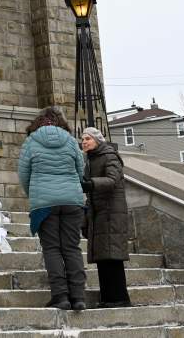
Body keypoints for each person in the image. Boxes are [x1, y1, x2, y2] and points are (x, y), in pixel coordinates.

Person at [18, 106, 87, 311]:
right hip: (72, 202)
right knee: (72, 247)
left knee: (52, 248)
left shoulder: (31, 142)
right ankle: (79, 297)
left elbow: (23, 173)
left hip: (44, 204)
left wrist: (35, 194)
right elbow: (80, 169)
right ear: (60, 122)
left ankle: (61, 296)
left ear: (38, 122)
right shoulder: (71, 140)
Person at [80, 127, 130, 307]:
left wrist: (90, 184)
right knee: (103, 256)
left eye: (88, 138)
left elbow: (112, 180)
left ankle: (119, 298)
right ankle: (108, 298)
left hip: (111, 212)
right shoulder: (90, 160)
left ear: (98, 140)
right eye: (83, 139)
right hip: (99, 212)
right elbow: (90, 193)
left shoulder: (109, 156)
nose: (84, 142)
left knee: (112, 256)